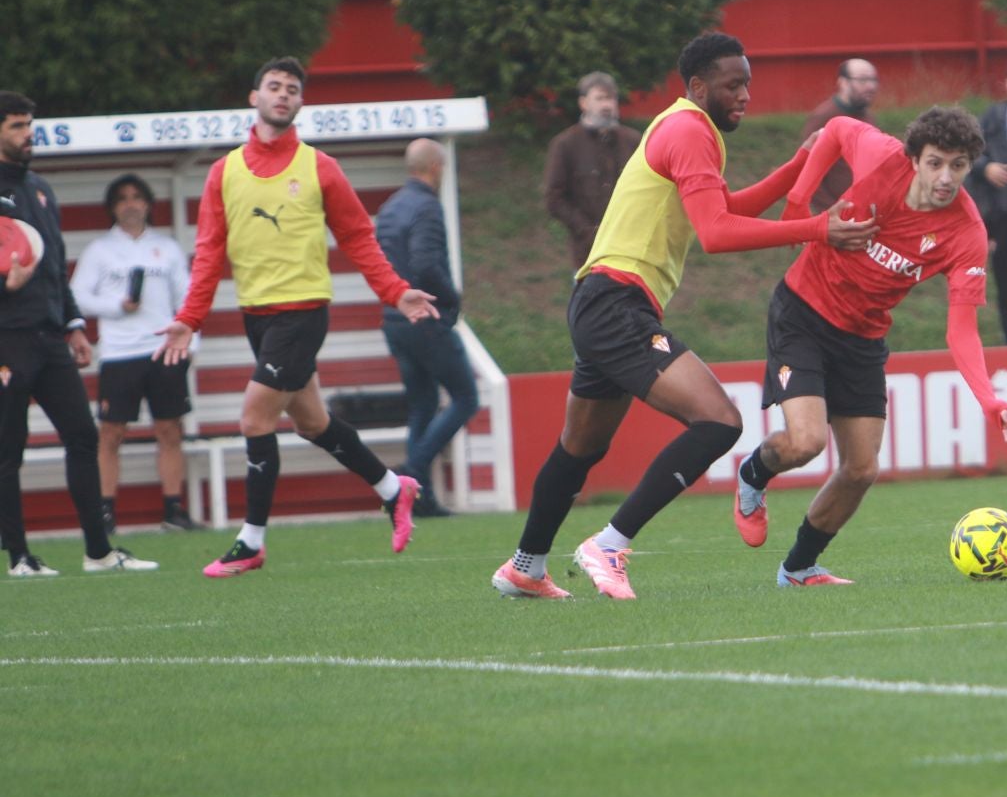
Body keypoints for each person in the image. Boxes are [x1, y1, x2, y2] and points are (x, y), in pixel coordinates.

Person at [491, 33, 878, 601]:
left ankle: (525, 566)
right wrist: (819, 228)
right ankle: (609, 544)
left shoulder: (687, 128)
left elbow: (726, 208)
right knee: (719, 421)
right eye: (733, 85)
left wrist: (799, 165)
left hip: (601, 301)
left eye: (747, 83)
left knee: (580, 447)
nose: (745, 95)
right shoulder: (689, 130)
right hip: (616, 302)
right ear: (698, 86)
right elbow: (717, 234)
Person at [158, 57, 441, 577]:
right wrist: (189, 318)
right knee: (312, 422)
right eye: (274, 86)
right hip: (257, 317)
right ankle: (392, 487)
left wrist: (395, 292)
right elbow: (209, 252)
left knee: (254, 418)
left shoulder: (320, 167)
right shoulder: (224, 172)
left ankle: (251, 541)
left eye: (292, 88)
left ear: (301, 102)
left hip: (303, 313)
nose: (283, 94)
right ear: (255, 97)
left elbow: (359, 237)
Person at [730, 107, 1007, 587]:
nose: (945, 177)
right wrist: (799, 200)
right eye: (935, 163)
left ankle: (799, 568)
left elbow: (961, 330)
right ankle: (752, 476)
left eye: (957, 165)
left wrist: (989, 399)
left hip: (863, 337)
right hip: (802, 313)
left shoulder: (967, 231)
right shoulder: (881, 156)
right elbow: (836, 129)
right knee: (805, 442)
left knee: (862, 469)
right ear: (914, 159)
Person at [0, 92, 157, 575]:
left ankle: (98, 552)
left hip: (50, 339)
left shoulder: (40, 189)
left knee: (83, 436)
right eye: (17, 126)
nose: (28, 134)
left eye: (30, 124)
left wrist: (73, 326)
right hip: (6, 338)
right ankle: (19, 557)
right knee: (8, 450)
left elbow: (55, 266)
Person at [70, 173, 198, 532]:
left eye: (137, 197)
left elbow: (188, 299)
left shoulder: (167, 248)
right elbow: (77, 297)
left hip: (163, 351)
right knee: (111, 432)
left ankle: (173, 510)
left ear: (148, 204)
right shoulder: (100, 250)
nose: (131, 204)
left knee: (170, 429)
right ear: (112, 207)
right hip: (119, 352)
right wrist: (117, 306)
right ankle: (105, 512)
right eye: (123, 198)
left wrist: (190, 345)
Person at [376, 138, 475, 518]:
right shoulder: (427, 207)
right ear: (435, 167)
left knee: (423, 404)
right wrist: (452, 298)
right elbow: (425, 263)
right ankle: (412, 471)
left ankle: (419, 498)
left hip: (394, 320)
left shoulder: (389, 207)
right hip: (425, 318)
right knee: (465, 397)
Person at [964, 56, 1007, 345]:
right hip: (1004, 214)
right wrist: (986, 168)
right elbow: (970, 153)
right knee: (1006, 284)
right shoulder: (994, 117)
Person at [544, 71, 644, 270]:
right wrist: (588, 231)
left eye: (611, 98)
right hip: (588, 256)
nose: (607, 105)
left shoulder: (634, 141)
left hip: (633, 253)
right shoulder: (565, 144)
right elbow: (554, 198)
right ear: (583, 103)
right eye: (599, 99)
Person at [799, 58, 880, 213]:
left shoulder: (868, 118)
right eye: (863, 80)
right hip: (836, 215)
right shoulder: (824, 117)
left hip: (864, 212)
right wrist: (832, 212)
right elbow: (807, 172)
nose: (871, 86)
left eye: (873, 80)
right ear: (843, 83)